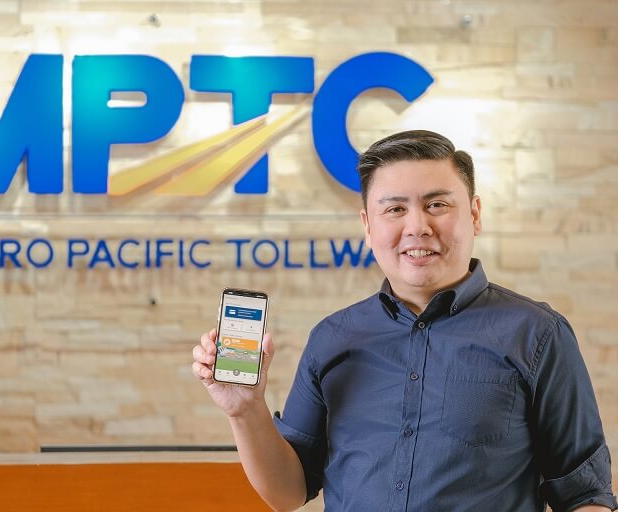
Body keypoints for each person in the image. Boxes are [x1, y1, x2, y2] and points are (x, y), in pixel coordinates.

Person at [191, 130, 617, 512]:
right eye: (395, 208)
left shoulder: (537, 334)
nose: (418, 226)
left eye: (437, 205)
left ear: (474, 214)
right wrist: (245, 411)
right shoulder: (332, 337)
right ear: (367, 225)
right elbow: (287, 494)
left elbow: (585, 495)